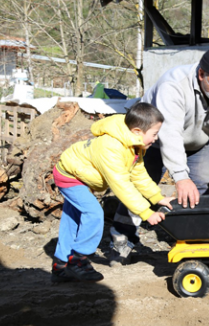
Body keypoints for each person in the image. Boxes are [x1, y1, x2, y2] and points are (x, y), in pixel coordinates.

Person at [107, 34, 209, 266]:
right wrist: (180, 176)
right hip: (151, 142)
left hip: (197, 142)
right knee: (139, 188)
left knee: (202, 186)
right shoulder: (174, 85)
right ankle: (121, 239)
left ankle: (195, 238)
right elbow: (169, 134)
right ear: (201, 74)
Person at [51, 103, 174, 282]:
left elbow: (138, 175)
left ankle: (60, 265)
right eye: (154, 134)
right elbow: (121, 185)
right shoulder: (112, 147)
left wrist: (158, 198)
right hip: (69, 176)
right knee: (93, 213)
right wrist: (146, 213)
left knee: (72, 220)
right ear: (138, 131)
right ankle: (79, 259)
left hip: (78, 175)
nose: (156, 138)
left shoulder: (133, 145)